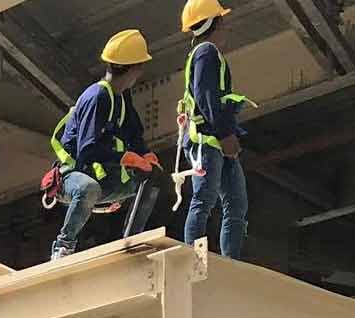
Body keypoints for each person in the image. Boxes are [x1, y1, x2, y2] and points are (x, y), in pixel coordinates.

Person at [47, 30, 163, 261]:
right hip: (71, 177)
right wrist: (128, 158)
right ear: (134, 68)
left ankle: (130, 239)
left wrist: (145, 154)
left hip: (98, 177)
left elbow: (133, 132)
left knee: (151, 178)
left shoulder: (121, 97)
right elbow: (87, 150)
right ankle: (63, 246)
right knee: (88, 189)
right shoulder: (96, 97)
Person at [178, 0, 251, 259]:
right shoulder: (206, 52)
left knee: (236, 203)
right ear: (216, 23)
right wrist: (226, 135)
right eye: (223, 21)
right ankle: (194, 259)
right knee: (205, 199)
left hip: (217, 141)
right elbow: (206, 96)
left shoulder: (206, 53)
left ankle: (230, 262)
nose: (226, 27)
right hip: (207, 141)